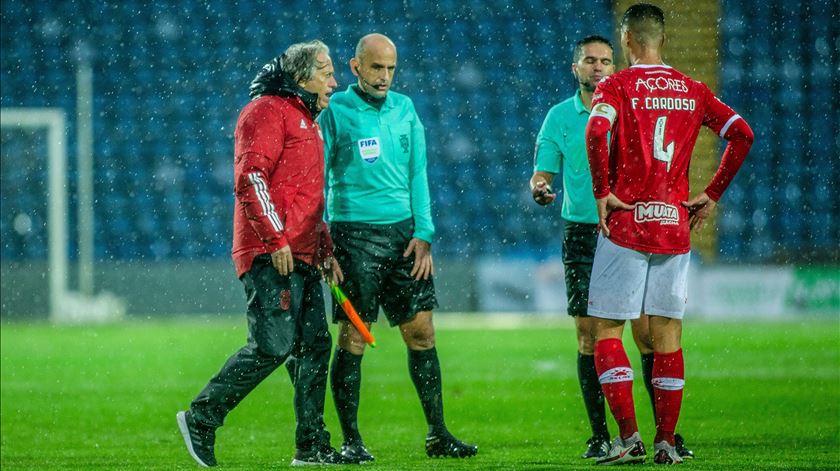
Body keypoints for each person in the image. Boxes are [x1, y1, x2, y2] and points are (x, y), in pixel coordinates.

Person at [585, 3, 753, 465]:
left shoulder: (616, 85)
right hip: (674, 226)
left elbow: (597, 129)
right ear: (662, 39)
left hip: (626, 223)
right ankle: (666, 442)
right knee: (666, 336)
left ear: (627, 40)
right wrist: (713, 193)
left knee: (606, 330)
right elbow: (742, 134)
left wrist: (602, 191)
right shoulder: (692, 89)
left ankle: (628, 439)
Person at [176, 40, 357, 467]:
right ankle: (202, 417)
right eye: (327, 72)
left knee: (314, 346)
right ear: (301, 77)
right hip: (271, 253)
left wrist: (324, 247)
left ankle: (310, 445)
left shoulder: (307, 120)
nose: (335, 81)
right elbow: (250, 179)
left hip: (304, 255)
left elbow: (306, 197)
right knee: (272, 346)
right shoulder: (266, 111)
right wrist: (276, 240)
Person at [316, 33, 478, 463]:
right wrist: (322, 240)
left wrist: (424, 232)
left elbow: (417, 173)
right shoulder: (334, 112)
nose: (384, 76)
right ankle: (351, 440)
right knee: (353, 336)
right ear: (355, 68)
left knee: (422, 334)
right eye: (376, 67)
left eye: (390, 68)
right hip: (354, 237)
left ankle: (438, 434)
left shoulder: (406, 109)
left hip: (406, 237)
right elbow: (316, 178)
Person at [531, 35, 694, 461]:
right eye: (589, 60)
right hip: (585, 232)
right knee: (589, 337)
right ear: (575, 67)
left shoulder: (628, 101)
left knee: (645, 336)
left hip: (629, 229)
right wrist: (542, 187)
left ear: (615, 63)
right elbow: (542, 172)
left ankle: (663, 434)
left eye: (605, 60)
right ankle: (601, 435)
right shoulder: (559, 117)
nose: (599, 67)